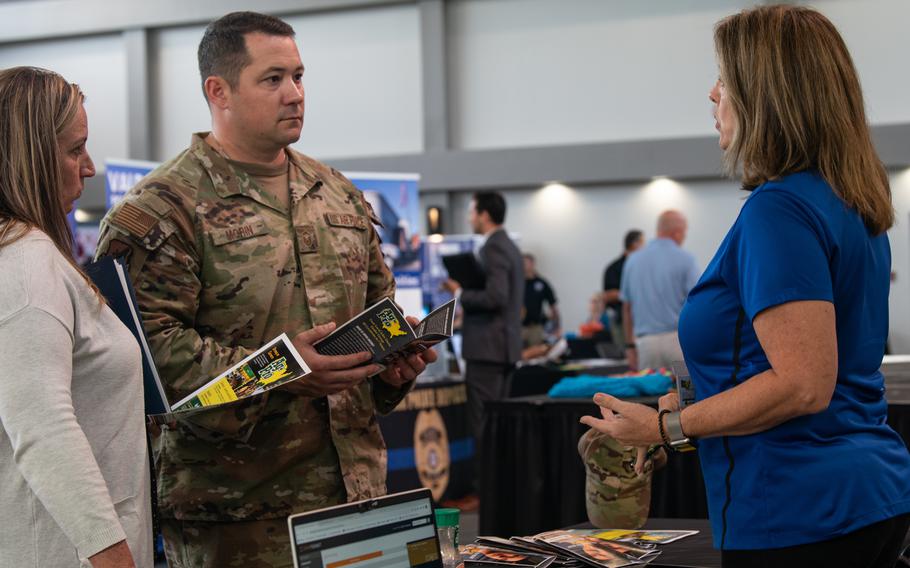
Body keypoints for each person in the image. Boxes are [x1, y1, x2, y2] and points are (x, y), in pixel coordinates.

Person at [95, 12, 434, 567]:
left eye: (299, 77)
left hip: (357, 494)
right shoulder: (163, 209)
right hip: (240, 515)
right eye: (273, 79)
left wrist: (393, 362)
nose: (294, 94)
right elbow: (147, 360)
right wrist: (283, 369)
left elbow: (379, 309)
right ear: (218, 91)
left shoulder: (337, 193)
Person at [582, 5, 910, 566]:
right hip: (863, 495)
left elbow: (804, 384)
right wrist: (678, 415)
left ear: (769, 94)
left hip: (797, 508)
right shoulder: (846, 202)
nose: (713, 94)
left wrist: (667, 427)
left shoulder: (779, 210)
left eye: (725, 79)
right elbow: (783, 367)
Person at [0, 67, 152, 567]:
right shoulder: (24, 263)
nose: (88, 167)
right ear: (31, 156)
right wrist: (114, 560)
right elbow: (43, 429)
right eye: (74, 149)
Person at [443, 192, 523, 484]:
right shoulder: (510, 247)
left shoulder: (494, 248)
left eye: (472, 211)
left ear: (485, 214)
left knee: (485, 423)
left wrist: (460, 292)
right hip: (503, 347)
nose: (469, 216)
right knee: (497, 422)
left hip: (487, 349)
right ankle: (499, 486)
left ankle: (489, 488)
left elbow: (496, 296)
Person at [619, 211, 698, 370]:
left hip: (646, 345)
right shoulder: (686, 259)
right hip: (678, 342)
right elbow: (698, 303)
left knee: (649, 392)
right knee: (685, 393)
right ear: (677, 233)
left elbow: (626, 308)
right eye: (685, 233)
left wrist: (629, 346)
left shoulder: (632, 260)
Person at [602, 229, 644, 347]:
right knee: (626, 357)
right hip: (621, 322)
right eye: (643, 243)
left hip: (642, 322)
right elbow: (607, 296)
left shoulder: (642, 266)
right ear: (635, 244)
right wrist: (631, 294)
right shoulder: (614, 268)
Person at [521, 252, 560, 347]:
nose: (524, 265)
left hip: (536, 327)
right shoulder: (516, 283)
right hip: (519, 327)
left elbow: (553, 305)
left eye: (526, 262)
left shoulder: (541, 283)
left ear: (533, 264)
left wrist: (555, 326)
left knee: (536, 353)